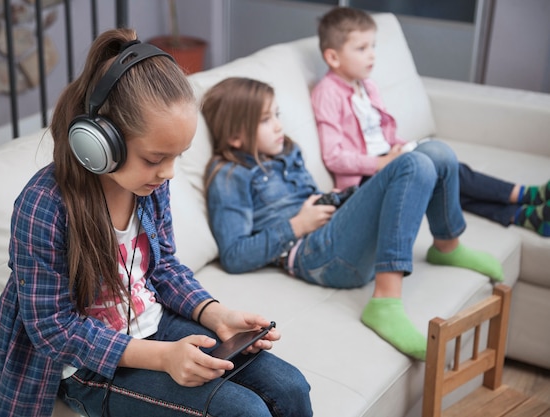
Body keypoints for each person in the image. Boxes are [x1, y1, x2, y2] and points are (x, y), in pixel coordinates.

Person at [0, 29, 312, 417]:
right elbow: (53, 329)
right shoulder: (45, 205)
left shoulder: (148, 185)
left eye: (177, 157)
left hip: (155, 326)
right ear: (102, 140)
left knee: (290, 387)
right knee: (244, 412)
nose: (168, 173)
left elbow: (165, 268)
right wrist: (163, 358)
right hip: (85, 364)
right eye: (156, 158)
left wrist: (215, 314)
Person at [202, 77, 504, 361]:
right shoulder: (230, 176)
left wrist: (336, 200)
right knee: (413, 165)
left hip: (333, 230)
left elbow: (308, 194)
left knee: (436, 152)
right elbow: (234, 255)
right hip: (312, 254)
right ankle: (385, 301)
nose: (279, 126)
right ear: (235, 136)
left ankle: (447, 245)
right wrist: (298, 225)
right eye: (266, 120)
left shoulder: (286, 149)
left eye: (277, 114)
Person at [311, 6, 550, 237]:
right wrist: (380, 163)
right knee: (446, 172)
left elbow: (383, 130)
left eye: (373, 46)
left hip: (387, 158)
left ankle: (522, 215)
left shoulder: (367, 85)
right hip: (364, 179)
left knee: (445, 179)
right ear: (333, 57)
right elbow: (333, 156)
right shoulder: (327, 93)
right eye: (361, 48)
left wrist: (398, 145)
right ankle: (526, 195)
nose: (372, 54)